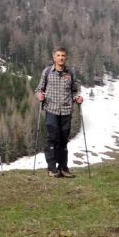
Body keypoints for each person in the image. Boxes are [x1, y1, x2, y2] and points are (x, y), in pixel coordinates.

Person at [35, 46, 83, 178]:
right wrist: (40, 95)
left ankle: (63, 167)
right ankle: (52, 168)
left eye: (63, 56)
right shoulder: (47, 72)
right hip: (51, 110)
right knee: (53, 138)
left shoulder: (71, 73)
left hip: (67, 110)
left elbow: (75, 90)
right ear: (54, 57)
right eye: (58, 55)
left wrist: (77, 98)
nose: (61, 58)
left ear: (66, 58)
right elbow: (39, 89)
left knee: (63, 139)